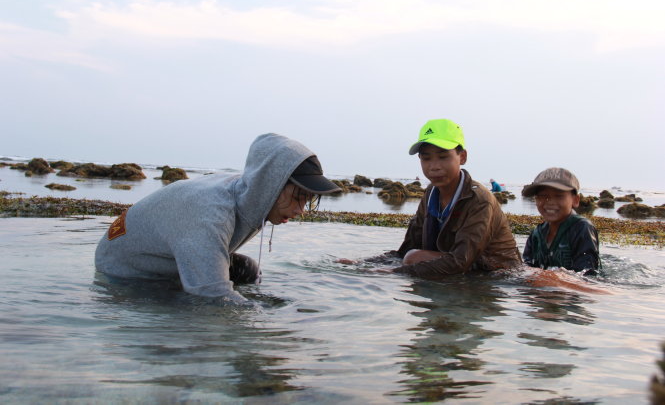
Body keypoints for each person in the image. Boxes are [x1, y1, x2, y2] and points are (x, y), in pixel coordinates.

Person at [95, 133, 341, 304]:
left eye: (308, 200)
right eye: (299, 197)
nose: (302, 210)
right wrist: (277, 324)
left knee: (247, 271)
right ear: (270, 185)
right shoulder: (210, 217)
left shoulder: (251, 195)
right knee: (201, 309)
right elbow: (213, 296)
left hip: (165, 257)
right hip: (126, 275)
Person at [383, 119, 522, 279]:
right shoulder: (430, 194)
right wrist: (358, 265)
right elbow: (405, 250)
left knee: (414, 258)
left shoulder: (479, 200)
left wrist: (392, 274)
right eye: (426, 158)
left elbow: (460, 261)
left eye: (443, 157)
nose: (434, 166)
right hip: (462, 273)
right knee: (411, 257)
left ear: (462, 157)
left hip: (499, 277)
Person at [521, 167, 600, 275]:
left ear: (575, 200)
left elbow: (587, 276)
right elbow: (526, 267)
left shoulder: (582, 228)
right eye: (543, 196)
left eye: (559, 196)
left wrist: (547, 279)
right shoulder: (536, 234)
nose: (550, 202)